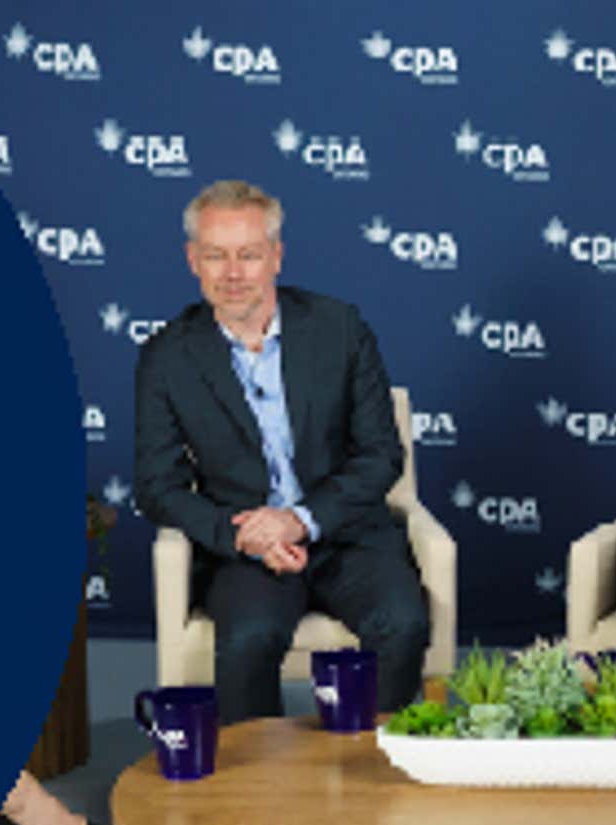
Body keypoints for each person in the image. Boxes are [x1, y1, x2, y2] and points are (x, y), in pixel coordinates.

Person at [132, 179, 430, 725]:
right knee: (248, 637)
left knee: (403, 623)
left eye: (248, 255)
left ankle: (375, 776)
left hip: (345, 531)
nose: (233, 273)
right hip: (244, 547)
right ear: (192, 260)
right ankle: (260, 799)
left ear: (276, 256)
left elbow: (381, 454)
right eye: (216, 256)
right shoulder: (166, 357)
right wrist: (243, 534)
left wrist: (297, 520)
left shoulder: (340, 329)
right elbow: (157, 486)